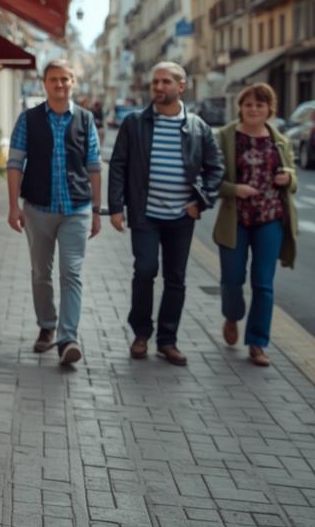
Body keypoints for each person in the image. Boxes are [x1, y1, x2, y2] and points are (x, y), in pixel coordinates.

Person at [107, 61, 224, 365]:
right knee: (145, 269)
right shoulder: (135, 123)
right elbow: (118, 165)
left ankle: (167, 340)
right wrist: (116, 208)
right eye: (154, 82)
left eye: (165, 82)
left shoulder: (198, 127)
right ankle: (141, 334)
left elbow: (216, 169)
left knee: (176, 278)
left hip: (181, 217)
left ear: (181, 86)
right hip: (146, 212)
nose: (158, 87)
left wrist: (202, 202)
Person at [6, 59, 101, 367]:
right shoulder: (28, 120)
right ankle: (47, 325)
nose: (59, 85)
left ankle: (68, 338)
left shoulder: (86, 120)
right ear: (44, 83)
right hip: (37, 210)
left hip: (77, 209)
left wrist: (97, 211)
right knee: (40, 273)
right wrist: (13, 207)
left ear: (73, 82)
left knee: (71, 274)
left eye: (65, 79)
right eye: (54, 80)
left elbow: (94, 167)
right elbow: (15, 163)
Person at [212, 83, 297, 367]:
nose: (253, 110)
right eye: (248, 104)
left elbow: (292, 177)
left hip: (270, 218)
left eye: (260, 105)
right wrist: (235, 190)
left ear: (269, 110)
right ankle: (232, 315)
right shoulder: (224, 137)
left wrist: (288, 177)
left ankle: (258, 343)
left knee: (264, 284)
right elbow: (211, 179)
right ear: (241, 107)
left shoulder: (280, 141)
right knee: (232, 280)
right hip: (235, 218)